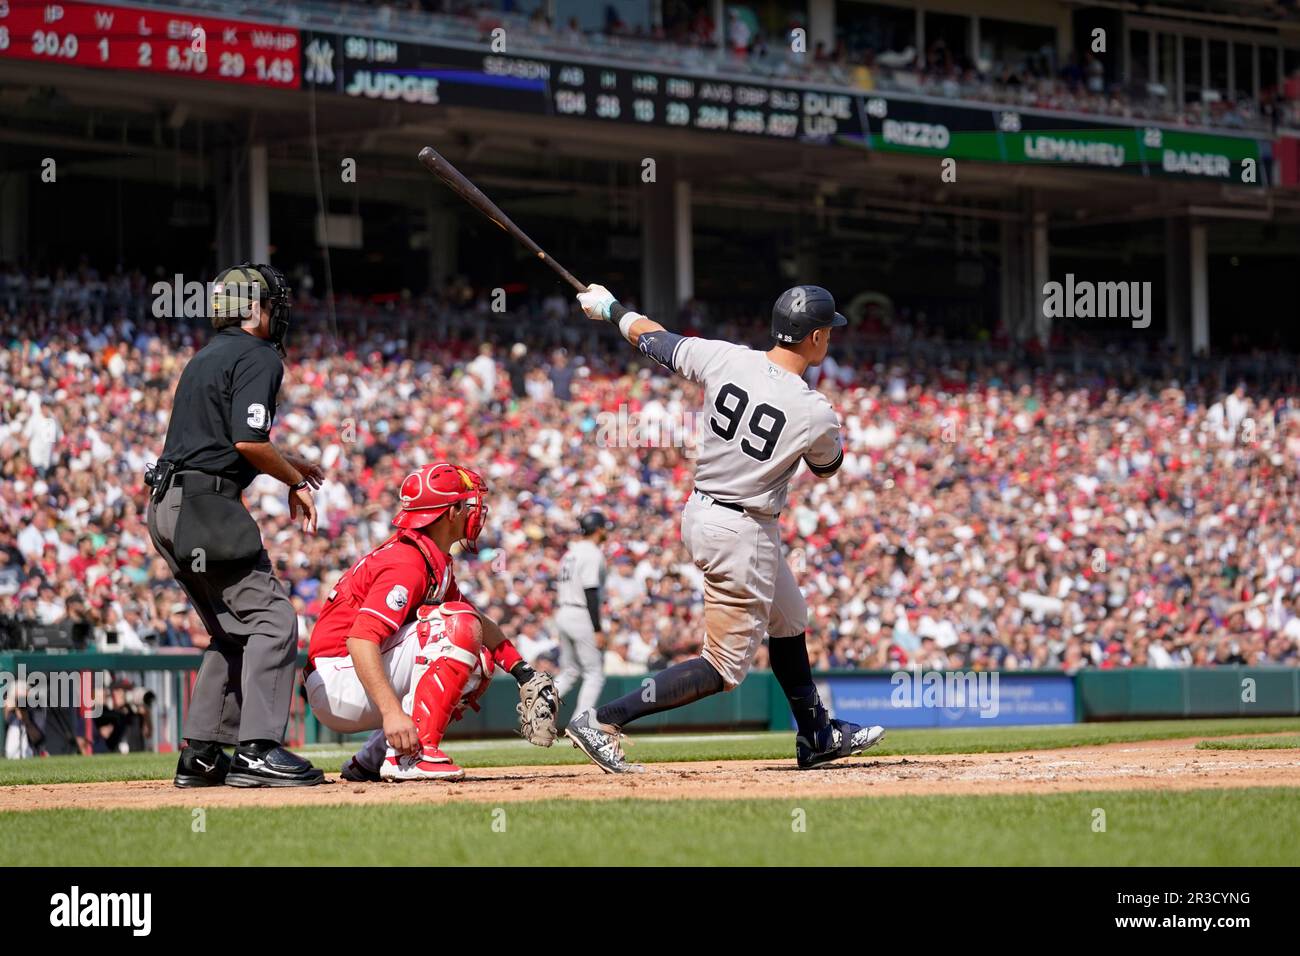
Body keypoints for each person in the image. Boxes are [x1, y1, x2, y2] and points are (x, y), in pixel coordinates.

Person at [568, 283, 886, 772]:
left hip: (702, 510)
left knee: (790, 617)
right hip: (744, 528)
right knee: (723, 666)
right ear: (817, 338)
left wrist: (610, 309)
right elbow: (828, 466)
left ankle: (816, 734)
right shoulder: (813, 409)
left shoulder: (725, 357)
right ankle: (604, 719)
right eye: (829, 334)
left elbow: (654, 338)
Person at [145, 263, 325, 788]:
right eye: (273, 302)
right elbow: (246, 442)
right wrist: (292, 479)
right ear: (255, 309)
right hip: (205, 505)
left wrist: (290, 462)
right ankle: (258, 751)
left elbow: (216, 442)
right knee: (273, 620)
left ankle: (202, 756)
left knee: (232, 632)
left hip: (167, 505)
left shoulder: (206, 356)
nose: (279, 312)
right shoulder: (258, 355)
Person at [305, 462, 559, 781]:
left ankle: (373, 759)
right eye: (467, 505)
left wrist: (525, 672)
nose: (474, 513)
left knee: (477, 654)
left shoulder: (428, 557)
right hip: (338, 677)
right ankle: (411, 756)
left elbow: (479, 623)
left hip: (347, 677)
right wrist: (392, 713)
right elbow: (360, 640)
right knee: (456, 625)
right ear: (451, 510)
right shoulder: (407, 562)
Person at [552, 511, 611, 717]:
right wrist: (597, 629)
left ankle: (538, 707)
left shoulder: (571, 552)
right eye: (604, 527)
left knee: (570, 671)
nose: (606, 531)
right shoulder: (592, 553)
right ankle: (580, 723)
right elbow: (591, 592)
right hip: (580, 614)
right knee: (594, 674)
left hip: (563, 612)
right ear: (599, 529)